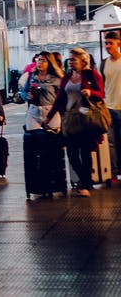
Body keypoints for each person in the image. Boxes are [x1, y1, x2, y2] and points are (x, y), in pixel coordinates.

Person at [46, 47, 106, 196]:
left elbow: (101, 94)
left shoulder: (92, 75)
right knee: (72, 153)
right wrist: (50, 115)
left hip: (86, 118)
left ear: (83, 61)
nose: (70, 62)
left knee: (85, 152)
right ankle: (85, 180)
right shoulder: (66, 77)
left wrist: (91, 92)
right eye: (69, 59)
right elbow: (60, 98)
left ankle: (85, 184)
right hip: (70, 119)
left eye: (73, 59)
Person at [23, 51, 63, 131]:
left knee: (52, 140)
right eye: (38, 60)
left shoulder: (56, 78)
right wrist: (27, 96)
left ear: (50, 63)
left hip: (51, 112)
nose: (39, 62)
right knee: (33, 139)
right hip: (34, 111)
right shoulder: (32, 76)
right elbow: (24, 91)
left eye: (43, 60)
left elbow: (62, 97)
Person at [103, 31, 121, 178]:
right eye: (106, 43)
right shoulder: (104, 63)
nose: (108, 46)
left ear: (118, 44)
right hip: (108, 107)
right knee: (111, 142)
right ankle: (114, 172)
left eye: (111, 43)